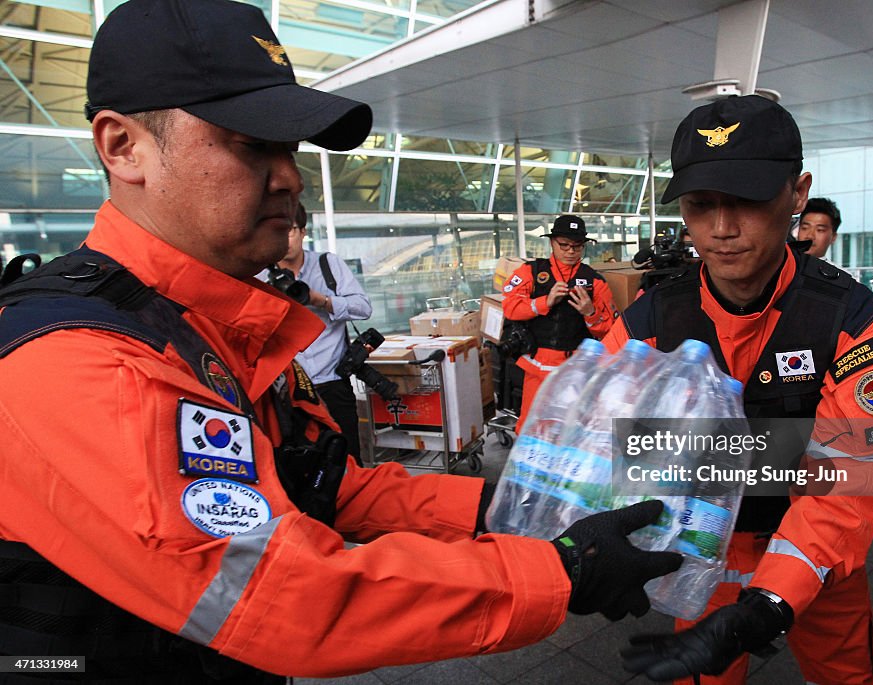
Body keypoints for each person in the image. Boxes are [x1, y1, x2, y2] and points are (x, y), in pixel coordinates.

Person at [0, 1, 682, 681]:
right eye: (249, 141)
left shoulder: (214, 326)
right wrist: (561, 569)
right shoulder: (85, 360)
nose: (291, 177)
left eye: (289, 148)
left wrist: (519, 507)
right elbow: (280, 592)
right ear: (125, 147)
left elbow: (329, 487)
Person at [612, 95, 873, 684]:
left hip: (819, 555)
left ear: (797, 193)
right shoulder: (649, 321)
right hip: (702, 553)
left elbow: (859, 468)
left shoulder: (853, 321)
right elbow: (613, 448)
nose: (722, 230)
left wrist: (773, 599)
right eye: (701, 206)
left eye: (748, 201)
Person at [262, 202, 372, 465]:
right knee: (301, 464)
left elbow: (363, 307)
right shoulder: (260, 274)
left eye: (289, 231)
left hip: (333, 382)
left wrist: (320, 300)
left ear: (303, 232)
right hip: (289, 392)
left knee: (348, 460)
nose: (284, 240)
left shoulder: (327, 265)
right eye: (276, 232)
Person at [501, 214, 617, 432]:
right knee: (531, 425)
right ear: (552, 242)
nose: (570, 251)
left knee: (573, 426)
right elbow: (510, 308)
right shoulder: (531, 272)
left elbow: (610, 331)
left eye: (577, 246)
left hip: (578, 368)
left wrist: (590, 313)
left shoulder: (595, 280)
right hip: (538, 364)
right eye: (564, 245)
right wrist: (546, 301)